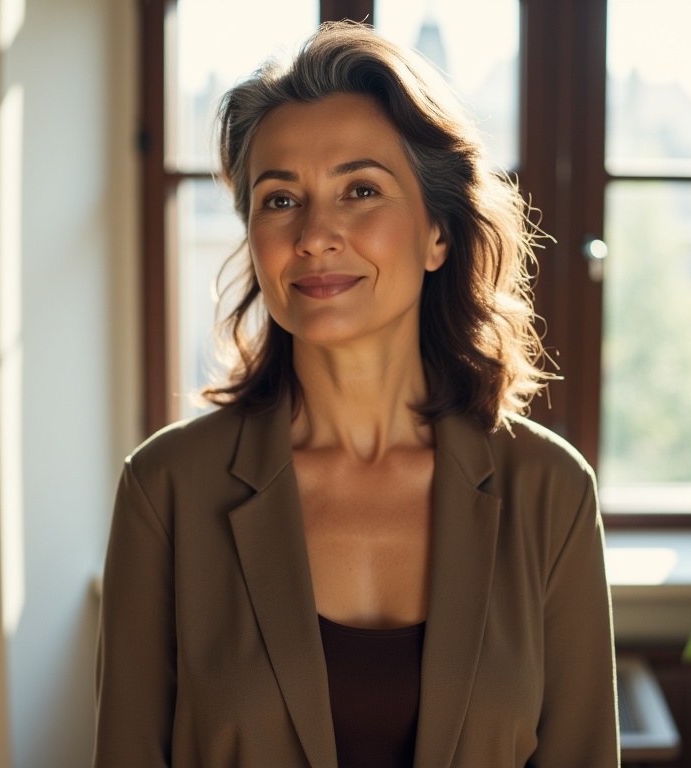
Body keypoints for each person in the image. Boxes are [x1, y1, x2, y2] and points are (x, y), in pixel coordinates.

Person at [94, 21, 618, 768]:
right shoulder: (165, 490)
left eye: (361, 190)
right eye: (280, 201)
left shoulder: (550, 491)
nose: (314, 234)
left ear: (438, 231)